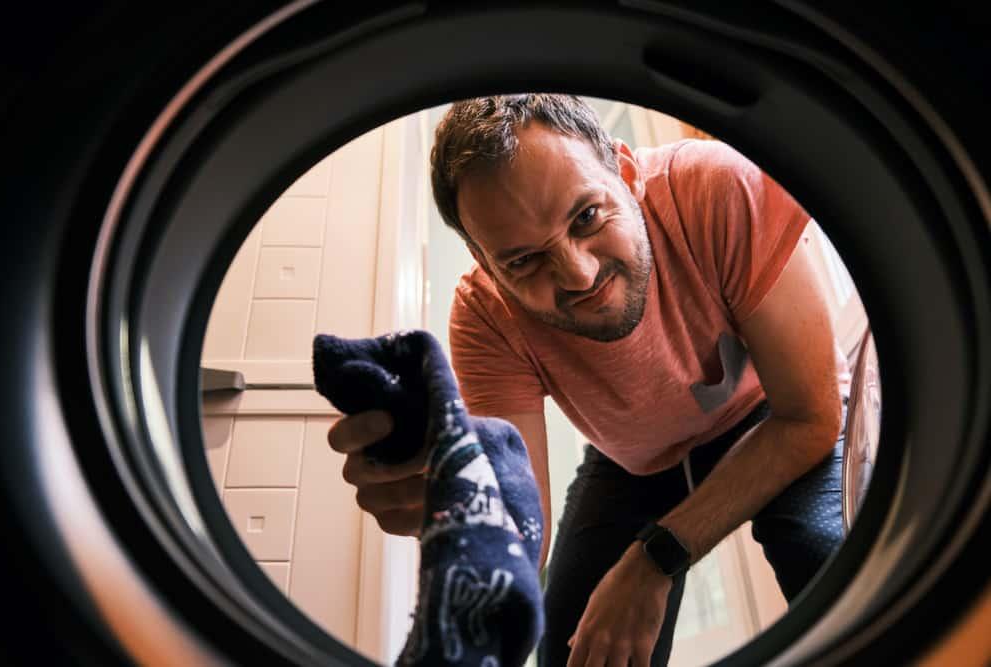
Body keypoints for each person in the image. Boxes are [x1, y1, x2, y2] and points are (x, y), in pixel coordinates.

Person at [328, 94, 851, 667]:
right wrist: (466, 514)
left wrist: (655, 558)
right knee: (569, 645)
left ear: (625, 173)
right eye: (523, 261)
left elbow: (810, 416)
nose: (579, 275)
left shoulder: (718, 187)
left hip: (773, 412)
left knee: (822, 555)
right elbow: (520, 523)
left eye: (586, 217)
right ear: (485, 263)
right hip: (636, 459)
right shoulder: (483, 315)